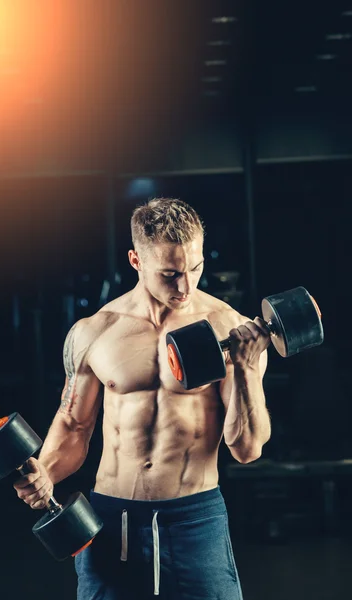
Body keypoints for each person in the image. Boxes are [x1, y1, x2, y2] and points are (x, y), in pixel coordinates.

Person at [14, 198, 271, 600]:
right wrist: (45, 472)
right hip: (111, 518)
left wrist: (243, 368)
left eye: (195, 268)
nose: (185, 286)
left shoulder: (230, 328)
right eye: (170, 274)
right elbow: (73, 425)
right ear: (136, 261)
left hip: (195, 519)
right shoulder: (94, 332)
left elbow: (247, 448)